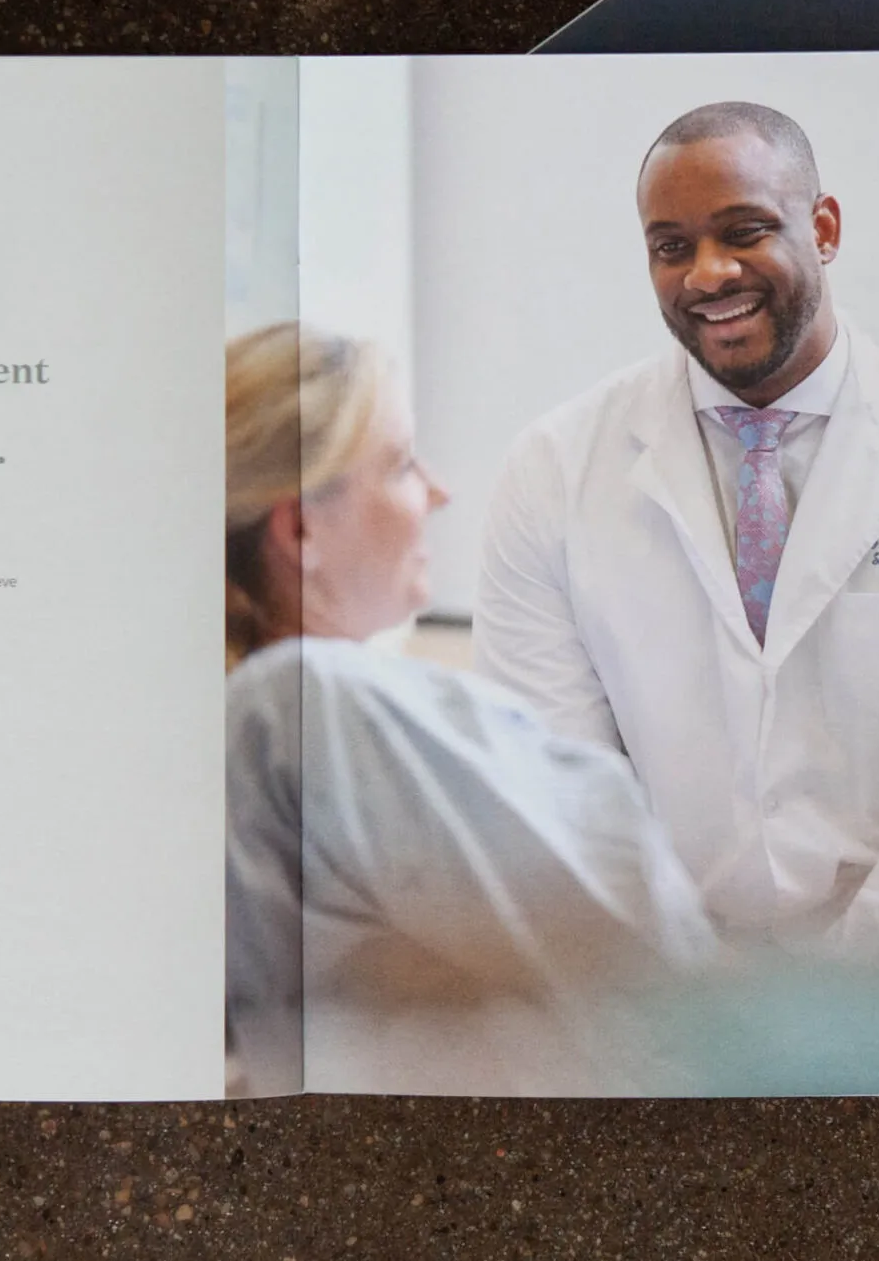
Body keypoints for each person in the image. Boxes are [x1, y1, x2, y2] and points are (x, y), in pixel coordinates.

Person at [472, 101, 879, 970]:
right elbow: (556, 797)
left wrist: (805, 1019)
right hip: (662, 997)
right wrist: (696, 1005)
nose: (708, 273)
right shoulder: (551, 472)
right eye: (671, 246)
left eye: (745, 231)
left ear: (824, 228)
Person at [221, 322, 715, 1098]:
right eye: (400, 465)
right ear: (301, 528)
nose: (438, 492)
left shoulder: (253, 736)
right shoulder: (310, 703)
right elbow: (652, 965)